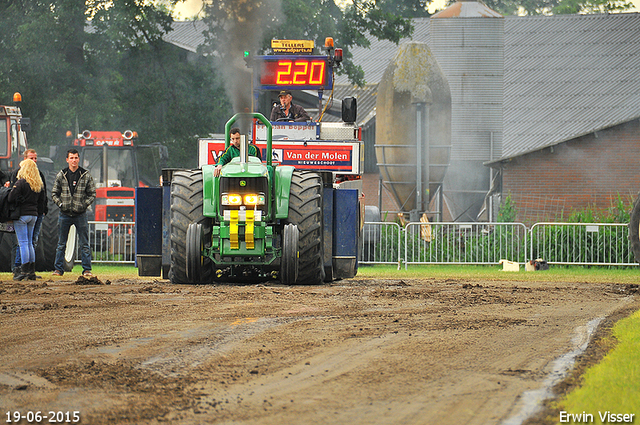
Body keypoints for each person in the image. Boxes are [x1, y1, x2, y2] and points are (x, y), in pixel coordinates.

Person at [51, 148, 96, 277]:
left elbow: (92, 194)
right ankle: (58, 269)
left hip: (80, 214)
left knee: (84, 244)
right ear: (67, 160)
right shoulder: (61, 174)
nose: (74, 160)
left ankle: (87, 270)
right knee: (61, 244)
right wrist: (60, 204)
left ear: (79, 159)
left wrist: (84, 205)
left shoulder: (85, 174)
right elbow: (54, 193)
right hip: (64, 214)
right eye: (71, 158)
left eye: (76, 157)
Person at [8, 149, 49, 279]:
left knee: (23, 243)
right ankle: (31, 271)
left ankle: (24, 270)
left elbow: (11, 198)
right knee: (31, 243)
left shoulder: (21, 182)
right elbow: (41, 199)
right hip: (34, 215)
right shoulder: (38, 183)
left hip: (22, 216)